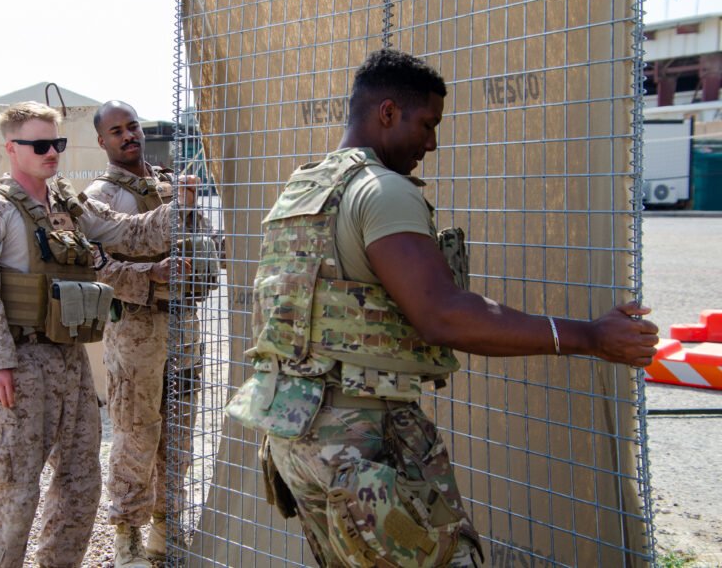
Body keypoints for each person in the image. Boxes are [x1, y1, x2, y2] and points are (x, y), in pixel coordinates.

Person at [226, 48, 660, 567]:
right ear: (388, 113)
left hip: (296, 437)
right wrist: (589, 337)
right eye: (427, 124)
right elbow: (443, 314)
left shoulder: (302, 190)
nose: (431, 143)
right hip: (358, 444)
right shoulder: (381, 191)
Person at [0, 101, 200, 568]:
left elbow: (127, 233)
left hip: (69, 359)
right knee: (14, 491)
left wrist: (179, 206)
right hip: (19, 364)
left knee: (80, 484)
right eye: (40, 144)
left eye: (58, 143)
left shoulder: (68, 203)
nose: (52, 153)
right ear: (11, 148)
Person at [84, 101, 207, 567]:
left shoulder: (170, 184)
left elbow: (203, 241)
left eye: (132, 126)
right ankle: (127, 534)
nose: (128, 135)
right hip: (136, 329)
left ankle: (166, 526)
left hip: (184, 327)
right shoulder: (100, 197)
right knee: (136, 435)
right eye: (116, 131)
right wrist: (150, 274)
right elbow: (92, 266)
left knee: (179, 433)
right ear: (102, 141)